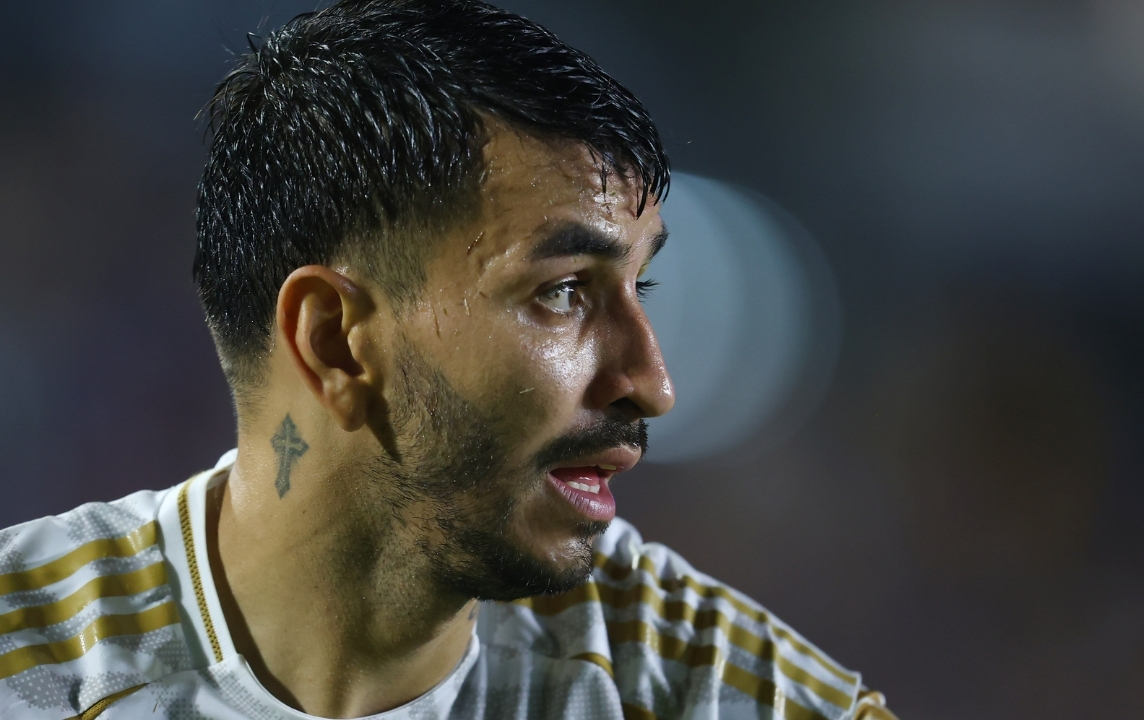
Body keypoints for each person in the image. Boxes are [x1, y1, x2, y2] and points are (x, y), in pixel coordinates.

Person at [0, 1, 897, 718]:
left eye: (640, 288)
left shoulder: (693, 682)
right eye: (562, 292)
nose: (653, 385)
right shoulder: (32, 656)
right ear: (332, 341)